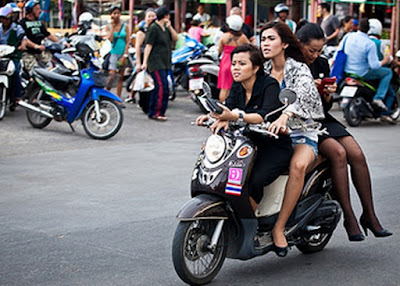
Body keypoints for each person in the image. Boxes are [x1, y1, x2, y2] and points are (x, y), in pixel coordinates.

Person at [296, 22, 392, 241]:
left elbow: (325, 107)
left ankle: (369, 215)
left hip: (321, 117)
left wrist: (327, 94)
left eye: (320, 51)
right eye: (311, 50)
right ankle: (349, 218)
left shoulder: (321, 63)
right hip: (301, 121)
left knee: (356, 153)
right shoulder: (291, 64)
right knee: (338, 153)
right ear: (299, 44)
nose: (316, 55)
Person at [196, 44, 292, 226]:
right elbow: (228, 108)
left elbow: (263, 115)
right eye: (233, 64)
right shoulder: (238, 85)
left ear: (255, 67)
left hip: (272, 146)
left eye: (241, 64)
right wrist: (213, 116)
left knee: (254, 179)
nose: (236, 68)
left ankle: (251, 226)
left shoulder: (269, 84)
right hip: (246, 144)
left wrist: (234, 116)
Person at [260, 21, 325, 256]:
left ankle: (279, 228)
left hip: (302, 131)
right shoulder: (263, 69)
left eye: (271, 39)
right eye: (263, 39)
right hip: (269, 132)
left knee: (297, 166)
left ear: (285, 44)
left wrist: (286, 116)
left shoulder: (299, 69)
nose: (265, 43)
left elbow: (304, 94)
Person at [337, 18, 391, 111]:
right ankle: (378, 97)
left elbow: (339, 51)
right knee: (388, 72)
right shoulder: (370, 44)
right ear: (368, 29)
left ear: (358, 27)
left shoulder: (348, 36)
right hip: (363, 73)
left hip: (347, 71)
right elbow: (374, 65)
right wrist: (385, 61)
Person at [142, 6, 178, 121]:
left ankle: (155, 110)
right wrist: (144, 62)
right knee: (161, 87)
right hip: (156, 62)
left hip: (165, 61)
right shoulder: (154, 28)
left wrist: (170, 26)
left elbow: (175, 38)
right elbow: (148, 46)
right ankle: (157, 112)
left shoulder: (165, 28)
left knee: (163, 87)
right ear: (166, 15)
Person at [368, 18, 398, 123]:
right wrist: (396, 63)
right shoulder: (380, 43)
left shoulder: (363, 40)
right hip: (374, 72)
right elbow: (388, 58)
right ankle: (383, 110)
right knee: (390, 92)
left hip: (361, 73)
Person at [20, 0, 62, 72]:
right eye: (37, 9)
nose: (40, 11)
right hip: (28, 53)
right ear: (30, 11)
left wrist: (60, 43)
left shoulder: (39, 23)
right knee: (35, 72)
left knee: (54, 67)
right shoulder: (23, 23)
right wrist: (36, 46)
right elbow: (24, 39)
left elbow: (48, 35)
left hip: (41, 52)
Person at [217, 15, 249, 102]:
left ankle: (223, 105)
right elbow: (249, 48)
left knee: (224, 88)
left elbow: (219, 51)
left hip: (225, 62)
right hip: (237, 62)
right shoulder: (243, 37)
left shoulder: (224, 36)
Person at [0, 6, 26, 111]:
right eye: (2, 18)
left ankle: (17, 96)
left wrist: (22, 46)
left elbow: (24, 39)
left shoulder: (17, 28)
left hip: (12, 56)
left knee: (14, 72)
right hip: (1, 56)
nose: (4, 21)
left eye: (6, 19)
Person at [105, 5, 130, 102]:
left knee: (120, 77)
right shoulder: (108, 27)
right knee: (112, 75)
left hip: (122, 53)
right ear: (111, 15)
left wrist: (125, 55)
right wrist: (112, 27)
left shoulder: (125, 27)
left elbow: (128, 41)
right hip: (113, 53)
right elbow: (110, 39)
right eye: (114, 13)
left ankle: (118, 99)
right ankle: (106, 93)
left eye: (118, 13)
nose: (116, 15)